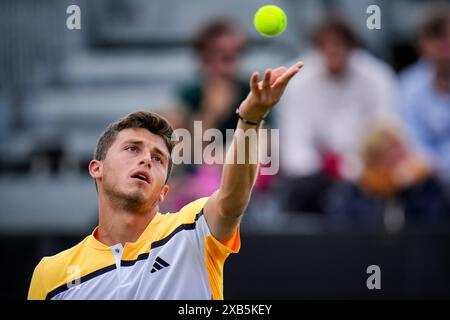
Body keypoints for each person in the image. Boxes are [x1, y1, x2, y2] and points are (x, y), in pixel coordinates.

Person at [27, 62, 303, 300]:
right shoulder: (51, 274)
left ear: (164, 192)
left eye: (158, 158)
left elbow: (233, 200)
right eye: (133, 148)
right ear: (96, 168)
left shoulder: (192, 231)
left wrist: (251, 120)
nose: (146, 159)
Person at [276, 16, 399, 214]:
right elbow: (295, 150)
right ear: (317, 47)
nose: (334, 50)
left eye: (341, 44)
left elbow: (385, 133)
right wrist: (327, 168)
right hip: (316, 182)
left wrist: (355, 169)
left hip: (369, 175)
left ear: (352, 46)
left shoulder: (377, 76)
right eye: (326, 44)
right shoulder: (297, 81)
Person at [399, 6, 450, 189]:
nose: (444, 46)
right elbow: (410, 140)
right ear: (421, 45)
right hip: (430, 183)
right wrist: (434, 166)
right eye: (435, 38)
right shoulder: (408, 87)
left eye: (446, 37)